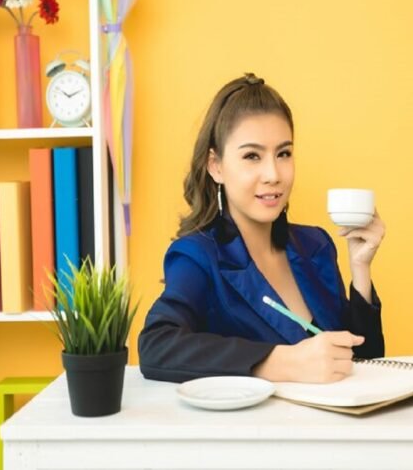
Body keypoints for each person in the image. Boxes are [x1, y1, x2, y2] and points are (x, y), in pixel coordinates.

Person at [138, 73, 386, 384]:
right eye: (252, 156)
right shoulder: (197, 256)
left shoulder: (316, 246)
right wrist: (281, 362)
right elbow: (156, 346)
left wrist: (360, 270)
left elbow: (365, 367)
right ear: (216, 166)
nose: (273, 174)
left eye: (283, 153)